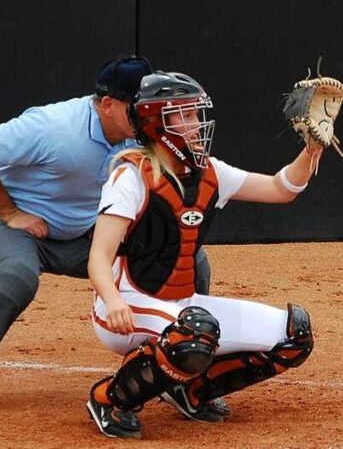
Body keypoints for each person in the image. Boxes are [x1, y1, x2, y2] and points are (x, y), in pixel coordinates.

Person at [0, 56, 217, 414]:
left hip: (88, 234)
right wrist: (11, 213)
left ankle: (179, 369)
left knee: (190, 258)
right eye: (137, 106)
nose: (147, 113)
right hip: (27, 230)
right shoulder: (54, 127)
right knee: (16, 276)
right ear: (107, 105)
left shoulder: (142, 135)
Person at [84, 71, 319, 439]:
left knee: (293, 335)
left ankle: (191, 390)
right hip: (126, 305)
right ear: (157, 122)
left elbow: (279, 188)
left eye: (197, 114)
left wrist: (311, 150)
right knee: (195, 332)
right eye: (186, 115)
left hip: (181, 305)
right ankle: (110, 399)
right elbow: (99, 256)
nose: (197, 124)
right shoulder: (132, 176)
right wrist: (112, 300)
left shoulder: (209, 172)